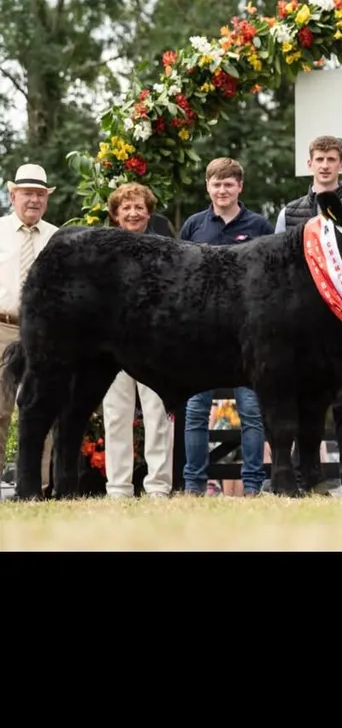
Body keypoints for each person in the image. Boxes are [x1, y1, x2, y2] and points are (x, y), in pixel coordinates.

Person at [275, 134, 342, 497]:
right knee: (297, 399)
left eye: (332, 159)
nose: (325, 165)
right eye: (319, 158)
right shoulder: (290, 212)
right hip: (298, 324)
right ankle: (302, 477)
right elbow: (276, 266)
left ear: (341, 164)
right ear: (309, 164)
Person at [180, 157, 273, 497]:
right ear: (208, 187)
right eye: (216, 184)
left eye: (228, 184)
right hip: (201, 332)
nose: (222, 190)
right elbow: (180, 276)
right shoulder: (193, 226)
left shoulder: (260, 226)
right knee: (195, 411)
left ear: (240, 187)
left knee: (251, 411)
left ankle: (252, 486)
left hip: (247, 333)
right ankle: (194, 484)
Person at [103, 182, 174, 499]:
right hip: (112, 348)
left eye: (139, 207)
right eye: (126, 208)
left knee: (158, 416)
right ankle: (118, 488)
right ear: (116, 215)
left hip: (155, 345)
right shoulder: (102, 251)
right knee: (116, 416)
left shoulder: (164, 249)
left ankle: (158, 487)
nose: (133, 213)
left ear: (149, 213)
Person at [0, 163, 58, 495]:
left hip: (44, 334)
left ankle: (36, 489)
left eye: (39, 194)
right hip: (3, 327)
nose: (33, 200)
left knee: (41, 409)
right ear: (13, 195)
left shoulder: (56, 237)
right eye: (27, 194)